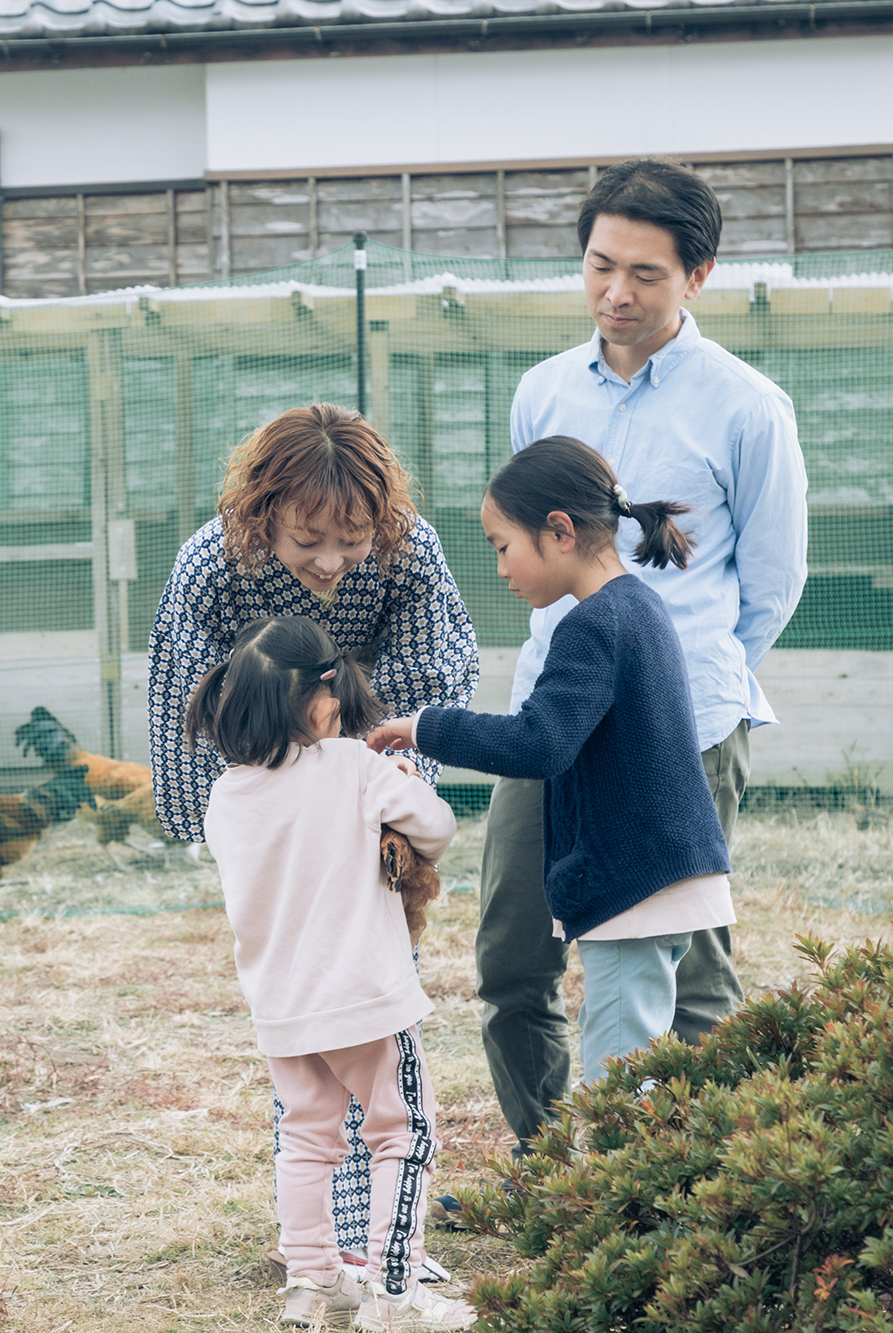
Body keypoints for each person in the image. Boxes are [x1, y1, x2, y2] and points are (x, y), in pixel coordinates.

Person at [479, 158, 808, 1154]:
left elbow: (772, 579)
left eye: (644, 274)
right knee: (510, 958)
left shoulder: (746, 406)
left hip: (685, 725)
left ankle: (699, 1191)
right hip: (547, 718)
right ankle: (553, 1183)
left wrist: (666, 687)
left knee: (691, 977)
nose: (614, 292)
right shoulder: (540, 393)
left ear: (696, 277)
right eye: (596, 265)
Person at [148, 402, 480, 1280]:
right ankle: (353, 1248)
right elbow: (191, 695)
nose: (332, 562)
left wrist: (382, 799)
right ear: (262, 516)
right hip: (267, 776)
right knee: (335, 1028)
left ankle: (357, 1244)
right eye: (306, 541)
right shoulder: (210, 566)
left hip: (371, 760)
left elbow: (430, 673)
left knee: (359, 1007)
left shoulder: (412, 553)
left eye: (353, 538)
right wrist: (243, 818)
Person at [371, 437, 733, 1090]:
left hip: (634, 889)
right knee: (646, 1066)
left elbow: (540, 742)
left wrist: (427, 727)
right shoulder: (641, 609)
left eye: (502, 545)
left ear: (559, 530)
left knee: (619, 1088)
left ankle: (611, 1193)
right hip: (667, 876)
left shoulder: (593, 625)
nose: (502, 568)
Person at [191, 615, 476, 1333]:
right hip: (366, 1000)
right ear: (314, 696)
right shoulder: (353, 766)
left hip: (284, 1009)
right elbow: (437, 827)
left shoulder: (226, 796)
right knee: (403, 1133)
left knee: (307, 1138)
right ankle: (395, 1292)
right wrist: (403, 779)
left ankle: (313, 1283)